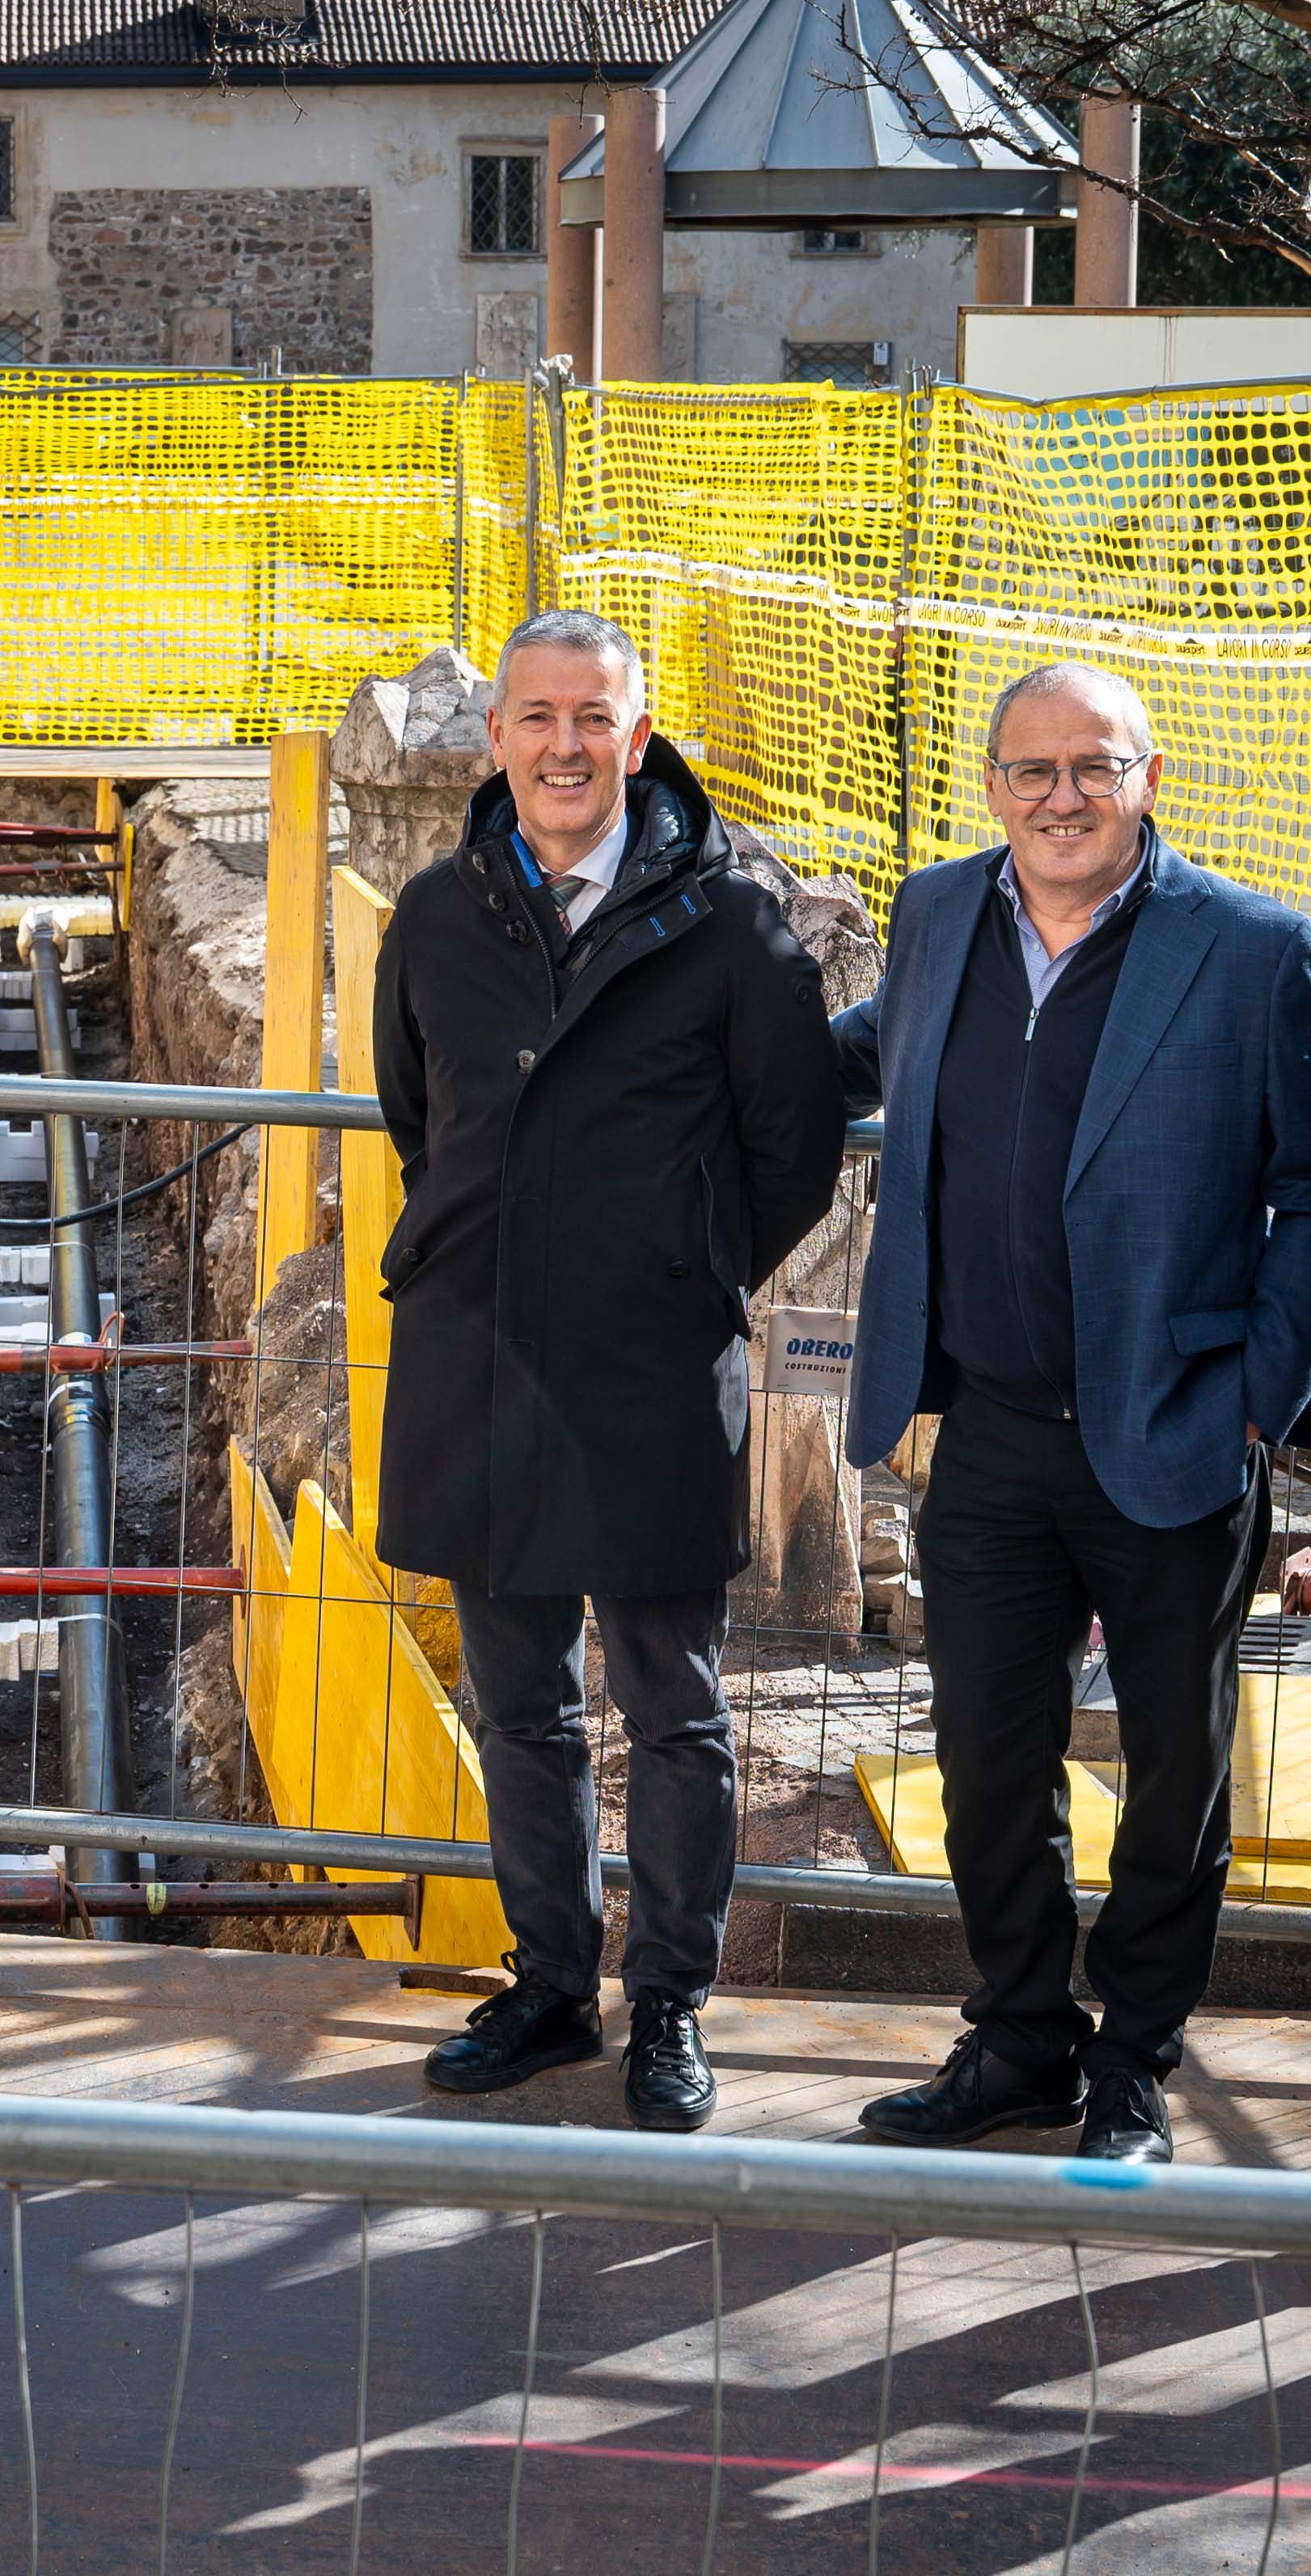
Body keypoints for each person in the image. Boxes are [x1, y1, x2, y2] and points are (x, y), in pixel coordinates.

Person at [829, 666, 1311, 2166]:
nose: (1062, 795)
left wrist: (1261, 1386)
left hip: (1177, 1421)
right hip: (988, 1429)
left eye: (1094, 766)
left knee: (1172, 1776)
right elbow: (859, 1052)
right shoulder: (937, 916)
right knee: (986, 1757)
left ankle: (1133, 2064)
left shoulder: (1254, 949)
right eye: (1032, 768)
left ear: (1148, 774)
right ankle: (1017, 2044)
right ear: (989, 783)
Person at [369, 611, 848, 2133]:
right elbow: (411, 1116)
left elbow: (790, 1155)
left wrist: (676, 1265)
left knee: (675, 1706)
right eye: (536, 717)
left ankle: (674, 2004)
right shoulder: (440, 914)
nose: (564, 746)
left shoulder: (729, 927)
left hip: (650, 1367)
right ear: (495, 736)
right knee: (519, 1705)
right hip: (474, 1356)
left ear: (637, 740)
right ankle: (551, 1985)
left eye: (595, 719)